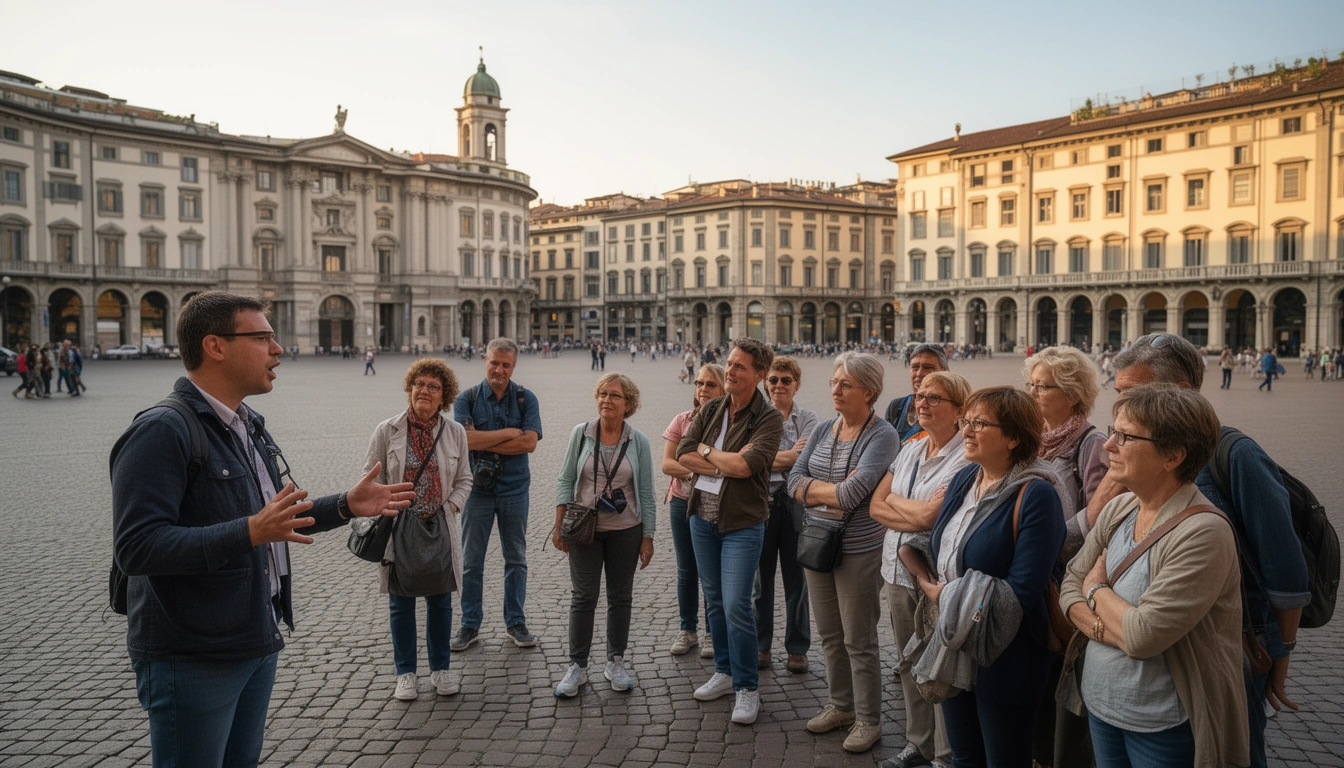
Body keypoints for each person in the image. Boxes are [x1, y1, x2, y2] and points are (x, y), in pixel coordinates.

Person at [110, 291, 416, 767]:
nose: (278, 350)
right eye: (263, 338)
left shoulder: (247, 425)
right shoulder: (162, 430)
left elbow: (274, 519)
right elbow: (137, 547)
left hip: (255, 633)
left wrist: (346, 505)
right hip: (193, 655)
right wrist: (249, 531)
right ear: (216, 346)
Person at [1105, 333, 1307, 768]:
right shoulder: (1132, 449)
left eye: (1129, 393)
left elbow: (1285, 568)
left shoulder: (1234, 455)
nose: (1118, 406)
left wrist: (1280, 651)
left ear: (1177, 392)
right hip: (1158, 645)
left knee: (1236, 747)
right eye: (1117, 392)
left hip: (1232, 643)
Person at [1060, 384, 1247, 767]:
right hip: (1101, 704)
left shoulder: (1203, 532)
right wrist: (1112, 626)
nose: (1107, 445)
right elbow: (1067, 588)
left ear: (1173, 456)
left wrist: (1095, 587)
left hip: (1163, 722)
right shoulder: (1123, 506)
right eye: (1113, 431)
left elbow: (1143, 636)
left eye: (1125, 436)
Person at [915, 386, 1066, 768]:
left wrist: (945, 596)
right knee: (964, 756)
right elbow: (939, 544)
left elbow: (1022, 591)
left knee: (1004, 759)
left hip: (1008, 655)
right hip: (956, 643)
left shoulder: (1037, 496)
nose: (966, 430)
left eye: (979, 423)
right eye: (967, 420)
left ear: (1014, 437)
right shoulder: (967, 477)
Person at [788, 352, 899, 753]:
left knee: (859, 639)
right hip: (818, 542)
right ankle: (841, 706)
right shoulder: (822, 429)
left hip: (858, 549)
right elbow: (793, 481)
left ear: (869, 391)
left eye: (845, 384)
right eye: (835, 382)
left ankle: (869, 719)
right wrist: (829, 495)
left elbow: (855, 494)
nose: (835, 389)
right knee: (831, 635)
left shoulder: (882, 435)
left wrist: (821, 492)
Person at [676, 338, 783, 725]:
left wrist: (707, 454)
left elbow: (746, 467)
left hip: (742, 522)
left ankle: (747, 687)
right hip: (701, 519)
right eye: (729, 363)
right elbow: (681, 454)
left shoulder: (769, 418)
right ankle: (724, 671)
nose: (730, 371)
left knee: (737, 603)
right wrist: (718, 457)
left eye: (740, 367)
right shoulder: (713, 408)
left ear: (758, 375)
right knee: (715, 601)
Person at [869, 371, 973, 768]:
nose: (922, 404)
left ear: (960, 410)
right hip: (896, 570)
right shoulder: (911, 447)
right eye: (919, 396)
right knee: (909, 660)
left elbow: (933, 517)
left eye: (934, 398)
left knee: (941, 665)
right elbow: (876, 505)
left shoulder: (967, 456)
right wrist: (909, 512)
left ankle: (946, 755)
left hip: (934, 578)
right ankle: (919, 742)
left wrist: (901, 506)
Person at [362, 359, 473, 701]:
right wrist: (387, 507)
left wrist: (451, 506)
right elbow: (370, 477)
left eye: (433, 387)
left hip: (438, 522)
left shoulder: (454, 432)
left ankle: (440, 669)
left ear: (444, 396)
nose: (424, 390)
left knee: (440, 600)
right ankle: (405, 673)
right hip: (399, 524)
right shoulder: (387, 430)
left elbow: (465, 478)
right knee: (401, 601)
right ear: (410, 389)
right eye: (419, 384)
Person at [1023, 347, 1105, 768]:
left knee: (1063, 676)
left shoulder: (1092, 445)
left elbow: (1101, 522)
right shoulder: (1031, 438)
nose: (1033, 393)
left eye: (1043, 386)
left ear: (1072, 394)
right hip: (1033, 576)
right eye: (1031, 384)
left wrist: (1047, 540)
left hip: (1066, 579)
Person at [551, 373, 657, 697]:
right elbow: (566, 479)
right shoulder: (580, 434)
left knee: (620, 596)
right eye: (603, 394)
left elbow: (648, 493)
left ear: (629, 404)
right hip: (585, 527)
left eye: (615, 395)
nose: (607, 400)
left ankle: (615, 660)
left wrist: (648, 536)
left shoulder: (637, 440)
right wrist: (559, 525)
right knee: (583, 596)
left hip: (627, 529)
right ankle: (577, 666)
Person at [451, 338, 543, 650]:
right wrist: (507, 434)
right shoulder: (466, 398)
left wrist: (480, 438)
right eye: (494, 362)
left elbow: (529, 443)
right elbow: (463, 441)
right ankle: (469, 624)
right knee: (471, 561)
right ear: (485, 360)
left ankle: (515, 622)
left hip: (515, 489)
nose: (499, 370)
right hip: (477, 490)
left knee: (516, 558)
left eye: (506, 364)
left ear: (513, 366)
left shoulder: (525, 398)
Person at [756, 355, 818, 674]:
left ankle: (797, 648)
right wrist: (786, 456)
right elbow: (752, 458)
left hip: (795, 501)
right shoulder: (754, 416)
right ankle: (760, 646)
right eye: (773, 380)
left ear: (796, 384)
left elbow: (806, 459)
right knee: (760, 580)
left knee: (796, 579)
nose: (779, 385)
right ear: (765, 384)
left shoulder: (809, 418)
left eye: (785, 380)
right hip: (761, 501)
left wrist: (769, 457)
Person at [661, 363, 725, 657]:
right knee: (687, 570)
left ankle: (713, 633)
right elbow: (668, 464)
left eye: (710, 384)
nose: (702, 389)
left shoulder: (730, 423)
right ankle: (688, 629)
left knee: (713, 573)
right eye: (699, 383)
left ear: (724, 388)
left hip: (717, 506)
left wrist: (693, 466)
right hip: (681, 501)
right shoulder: (683, 420)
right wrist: (701, 472)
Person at [885, 343, 949, 449]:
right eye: (915, 367)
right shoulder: (896, 407)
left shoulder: (949, 411)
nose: (919, 374)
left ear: (944, 372)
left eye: (928, 367)